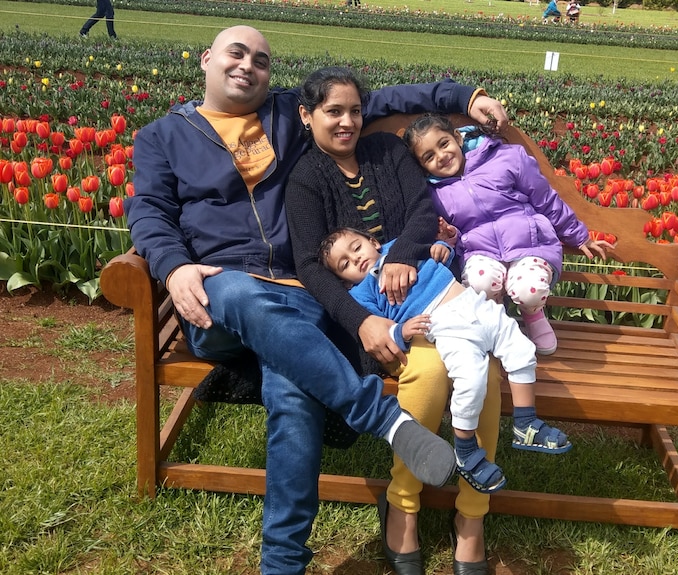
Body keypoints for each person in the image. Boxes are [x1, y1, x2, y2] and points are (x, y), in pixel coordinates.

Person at [125, 26, 508, 575]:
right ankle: (377, 415)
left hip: (302, 299)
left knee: (293, 388)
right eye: (236, 54)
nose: (247, 66)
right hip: (220, 297)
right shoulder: (163, 137)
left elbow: (387, 100)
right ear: (207, 59)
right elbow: (149, 212)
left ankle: (282, 565)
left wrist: (464, 98)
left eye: (260, 59)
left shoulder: (289, 114)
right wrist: (175, 265)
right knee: (237, 289)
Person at [285, 66, 506, 575]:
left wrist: (404, 255)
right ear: (307, 114)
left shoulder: (386, 151)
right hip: (370, 320)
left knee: (486, 373)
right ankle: (403, 505)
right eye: (332, 112)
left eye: (354, 111)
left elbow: (422, 214)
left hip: (436, 295)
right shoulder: (306, 180)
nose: (346, 122)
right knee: (431, 372)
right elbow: (311, 268)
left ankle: (472, 516)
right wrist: (363, 322)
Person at [320, 227, 572, 492]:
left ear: (373, 242)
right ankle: (465, 451)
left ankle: (525, 423)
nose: (355, 258)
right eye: (344, 264)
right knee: (472, 381)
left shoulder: (397, 248)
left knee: (521, 348)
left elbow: (434, 251)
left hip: (473, 302)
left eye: (356, 247)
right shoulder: (362, 293)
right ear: (344, 280)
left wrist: (442, 248)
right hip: (445, 325)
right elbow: (378, 329)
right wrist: (401, 331)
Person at [402, 114, 615, 355]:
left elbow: (544, 199)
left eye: (443, 144)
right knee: (479, 283)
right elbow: (454, 233)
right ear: (421, 166)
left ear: (458, 138)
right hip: (481, 251)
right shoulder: (435, 193)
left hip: (530, 243)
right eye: (429, 157)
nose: (441, 156)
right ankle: (497, 324)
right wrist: (449, 235)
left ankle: (533, 316)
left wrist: (578, 235)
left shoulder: (506, 157)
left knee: (529, 289)